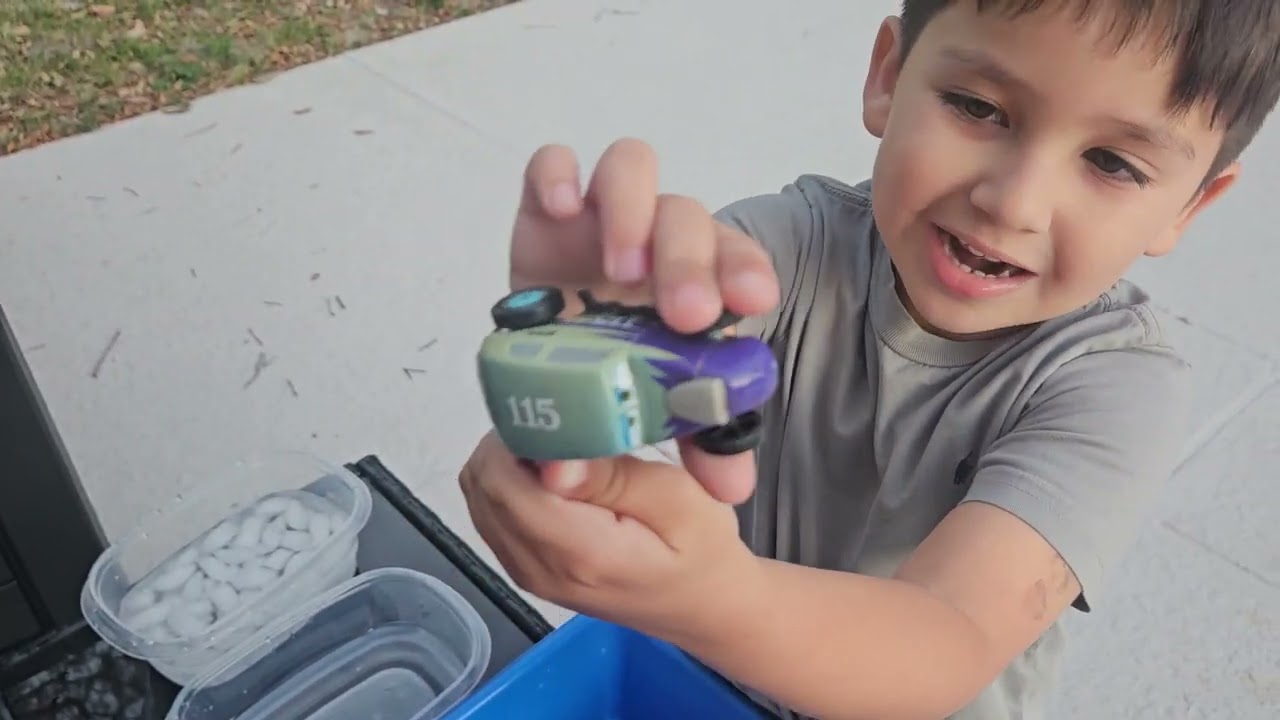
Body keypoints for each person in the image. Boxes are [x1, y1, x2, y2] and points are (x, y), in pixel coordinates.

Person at [458, 1, 1280, 718]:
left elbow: (947, 637)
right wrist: (583, 351)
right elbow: (683, 314)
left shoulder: (1114, 388)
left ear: (1191, 204)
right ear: (888, 73)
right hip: (713, 669)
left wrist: (710, 598)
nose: (1014, 201)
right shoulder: (792, 244)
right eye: (977, 106)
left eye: (1112, 163)